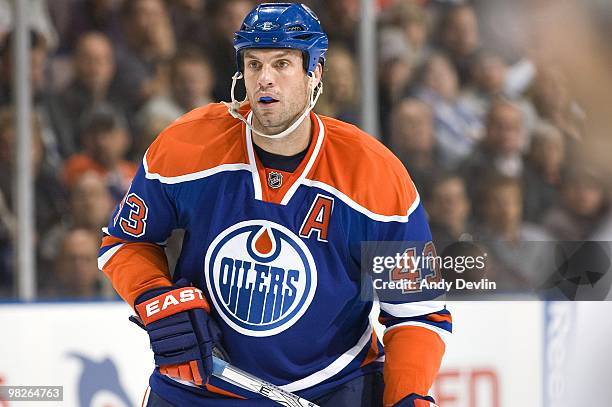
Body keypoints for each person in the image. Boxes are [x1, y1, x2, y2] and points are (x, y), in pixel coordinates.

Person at [99, 4, 450, 406]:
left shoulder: (376, 177)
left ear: (314, 73)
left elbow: (417, 313)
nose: (265, 79)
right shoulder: (187, 147)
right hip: (200, 386)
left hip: (333, 384)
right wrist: (154, 296)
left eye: (282, 63)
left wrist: (407, 396)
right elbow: (124, 243)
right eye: (254, 64)